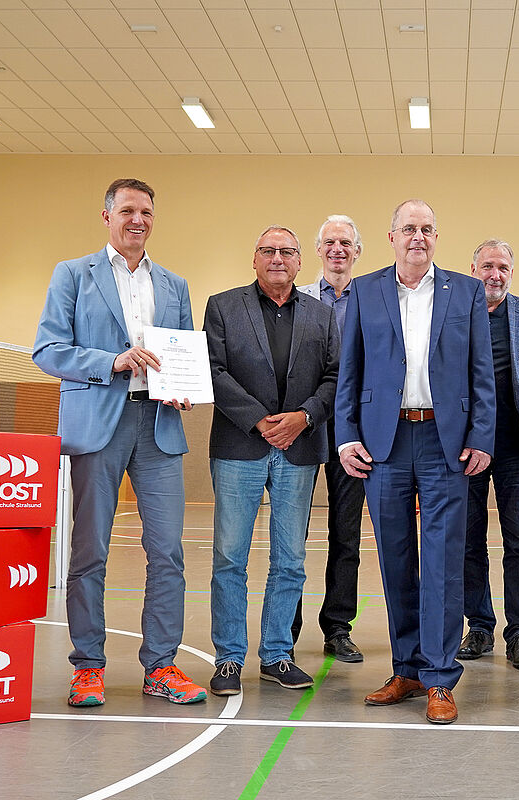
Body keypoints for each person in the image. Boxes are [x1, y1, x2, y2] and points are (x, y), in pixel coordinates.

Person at [33, 177, 207, 707]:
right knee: (89, 552)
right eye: (128, 210)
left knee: (169, 553)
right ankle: (87, 665)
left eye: (147, 212)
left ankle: (161, 666)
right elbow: (47, 349)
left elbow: (182, 353)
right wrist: (111, 360)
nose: (138, 220)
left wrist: (182, 390)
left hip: (158, 429)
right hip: (97, 428)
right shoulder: (72, 274)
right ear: (107, 216)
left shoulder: (175, 286)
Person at [336, 199, 495, 725]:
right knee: (396, 560)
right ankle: (406, 668)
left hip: (445, 442)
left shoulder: (467, 291)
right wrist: (345, 437)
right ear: (392, 236)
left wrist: (482, 437)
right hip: (385, 442)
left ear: (436, 237)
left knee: (445, 563)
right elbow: (349, 372)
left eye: (427, 229)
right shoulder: (365, 289)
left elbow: (481, 375)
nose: (418, 237)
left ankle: (440, 677)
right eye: (409, 228)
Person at [205, 225, 340, 694]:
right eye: (268, 250)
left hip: (299, 448)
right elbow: (214, 371)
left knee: (290, 559)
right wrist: (261, 421)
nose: (277, 258)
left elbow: (335, 375)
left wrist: (304, 417)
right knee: (229, 556)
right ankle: (228, 658)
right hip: (240, 444)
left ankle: (277, 654)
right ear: (255, 259)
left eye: (286, 251)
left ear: (300, 262)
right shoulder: (223, 307)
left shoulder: (323, 317)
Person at [457, 239, 519, 671]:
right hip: (464, 450)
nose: (495, 275)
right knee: (468, 543)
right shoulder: (456, 314)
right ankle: (479, 626)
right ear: (472, 269)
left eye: (503, 267)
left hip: (517, 448)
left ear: (511, 272)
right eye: (487, 266)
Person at [292, 215, 367, 664]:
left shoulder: (374, 299)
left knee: (347, 534)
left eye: (346, 243)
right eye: (330, 242)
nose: (338, 249)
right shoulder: (297, 300)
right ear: (317, 251)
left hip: (353, 429)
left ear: (357, 251)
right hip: (304, 423)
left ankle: (338, 627)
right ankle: (287, 625)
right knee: (292, 534)